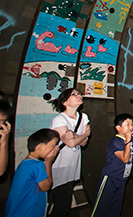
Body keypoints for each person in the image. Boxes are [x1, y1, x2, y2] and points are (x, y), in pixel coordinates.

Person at [48, 88, 91, 217]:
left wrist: (75, 135)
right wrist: (85, 134)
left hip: (71, 168)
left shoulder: (83, 117)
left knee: (63, 207)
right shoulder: (59, 119)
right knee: (44, 204)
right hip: (56, 167)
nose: (79, 95)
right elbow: (71, 143)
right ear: (64, 102)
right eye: (74, 94)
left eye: (79, 93)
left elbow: (83, 143)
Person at [91, 114, 133, 217]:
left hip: (122, 179)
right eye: (127, 124)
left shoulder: (130, 141)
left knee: (115, 208)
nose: (131, 127)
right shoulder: (116, 141)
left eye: (132, 124)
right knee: (101, 208)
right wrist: (128, 140)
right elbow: (125, 158)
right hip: (110, 178)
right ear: (118, 128)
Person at [5, 129, 59, 217]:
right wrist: (48, 162)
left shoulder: (25, 163)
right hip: (29, 212)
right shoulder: (37, 166)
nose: (55, 149)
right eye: (53, 146)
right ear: (39, 147)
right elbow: (46, 187)